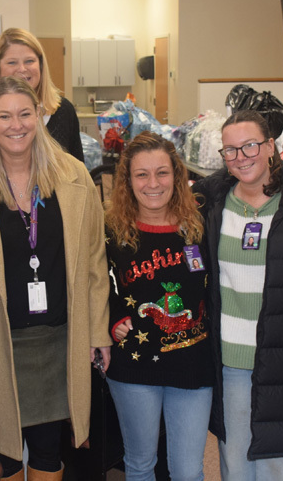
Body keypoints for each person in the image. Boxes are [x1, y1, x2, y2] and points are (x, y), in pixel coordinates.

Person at [0, 76, 110, 481]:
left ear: (39, 116)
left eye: (24, 113)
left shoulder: (73, 176)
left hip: (57, 339)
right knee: (5, 453)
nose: (16, 125)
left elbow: (94, 262)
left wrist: (98, 331)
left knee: (50, 450)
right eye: (4, 116)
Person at [192, 110, 283, 481]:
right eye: (230, 150)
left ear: (271, 146)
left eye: (250, 146)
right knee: (236, 467)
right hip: (230, 368)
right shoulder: (209, 207)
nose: (241, 157)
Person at [104, 131, 215, 481]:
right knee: (139, 465)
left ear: (177, 175)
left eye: (162, 172)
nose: (153, 183)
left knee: (187, 470)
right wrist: (114, 317)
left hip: (192, 362)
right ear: (128, 181)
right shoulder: (110, 230)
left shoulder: (200, 223)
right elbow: (94, 284)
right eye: (142, 174)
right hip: (134, 367)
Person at [0, 28, 83, 166]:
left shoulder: (64, 111)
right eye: (12, 62)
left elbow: (77, 171)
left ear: (41, 66)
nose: (22, 69)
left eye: (29, 61)